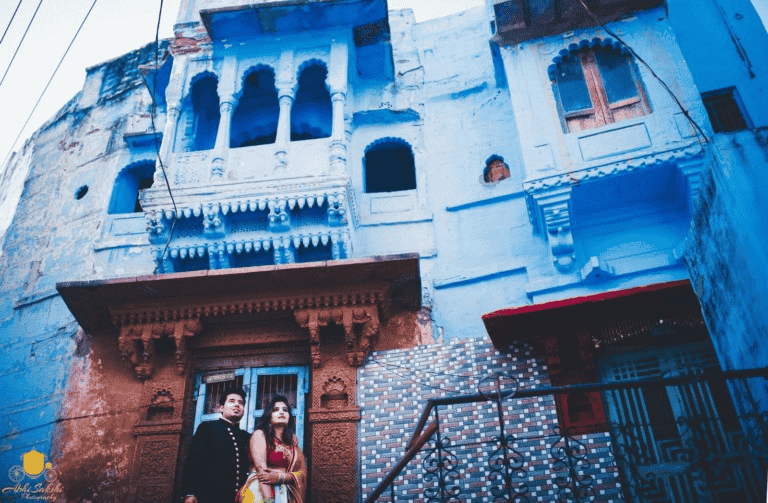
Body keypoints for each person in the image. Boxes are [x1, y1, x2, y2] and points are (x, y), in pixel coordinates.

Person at [181, 387, 251, 503]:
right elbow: (193, 463)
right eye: (232, 401)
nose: (237, 405)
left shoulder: (246, 437)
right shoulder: (208, 428)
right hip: (210, 496)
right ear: (221, 408)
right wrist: (190, 493)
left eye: (241, 403)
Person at [238, 396, 306, 503]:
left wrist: (280, 477)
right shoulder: (260, 435)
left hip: (285, 492)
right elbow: (262, 473)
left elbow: (302, 472)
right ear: (269, 416)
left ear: (289, 416)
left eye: (285, 410)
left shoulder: (293, 444)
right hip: (260, 491)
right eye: (276, 410)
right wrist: (269, 500)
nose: (281, 412)